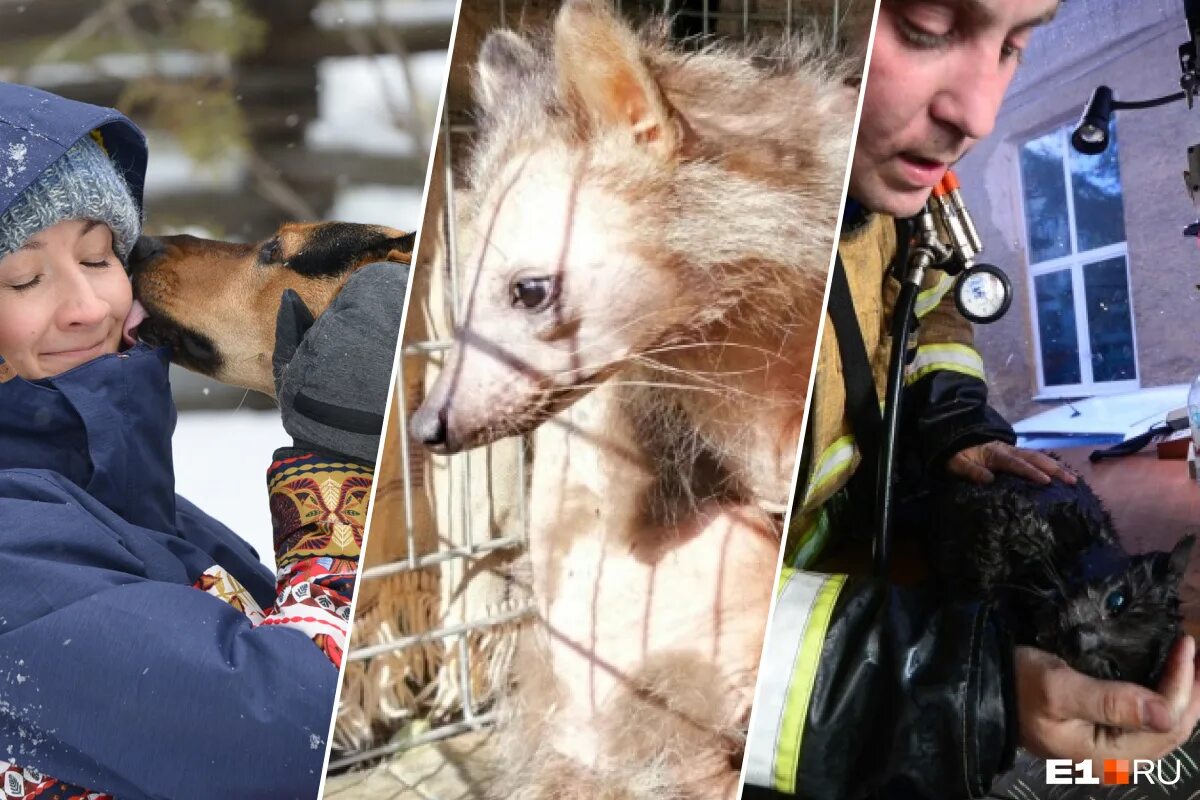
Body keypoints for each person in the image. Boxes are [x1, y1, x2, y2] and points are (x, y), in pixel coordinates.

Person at [744, 1, 1200, 796]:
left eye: (1014, 47)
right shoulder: (696, 246)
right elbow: (659, 626)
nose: (981, 115)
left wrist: (954, 421)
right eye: (927, 26)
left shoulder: (893, 195)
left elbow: (931, 308)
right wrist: (964, 692)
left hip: (874, 573)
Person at [0, 82, 404, 799]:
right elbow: (317, 740)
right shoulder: (15, 554)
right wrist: (342, 479)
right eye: (25, 278)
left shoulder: (142, 508)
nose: (90, 306)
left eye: (100, 258)